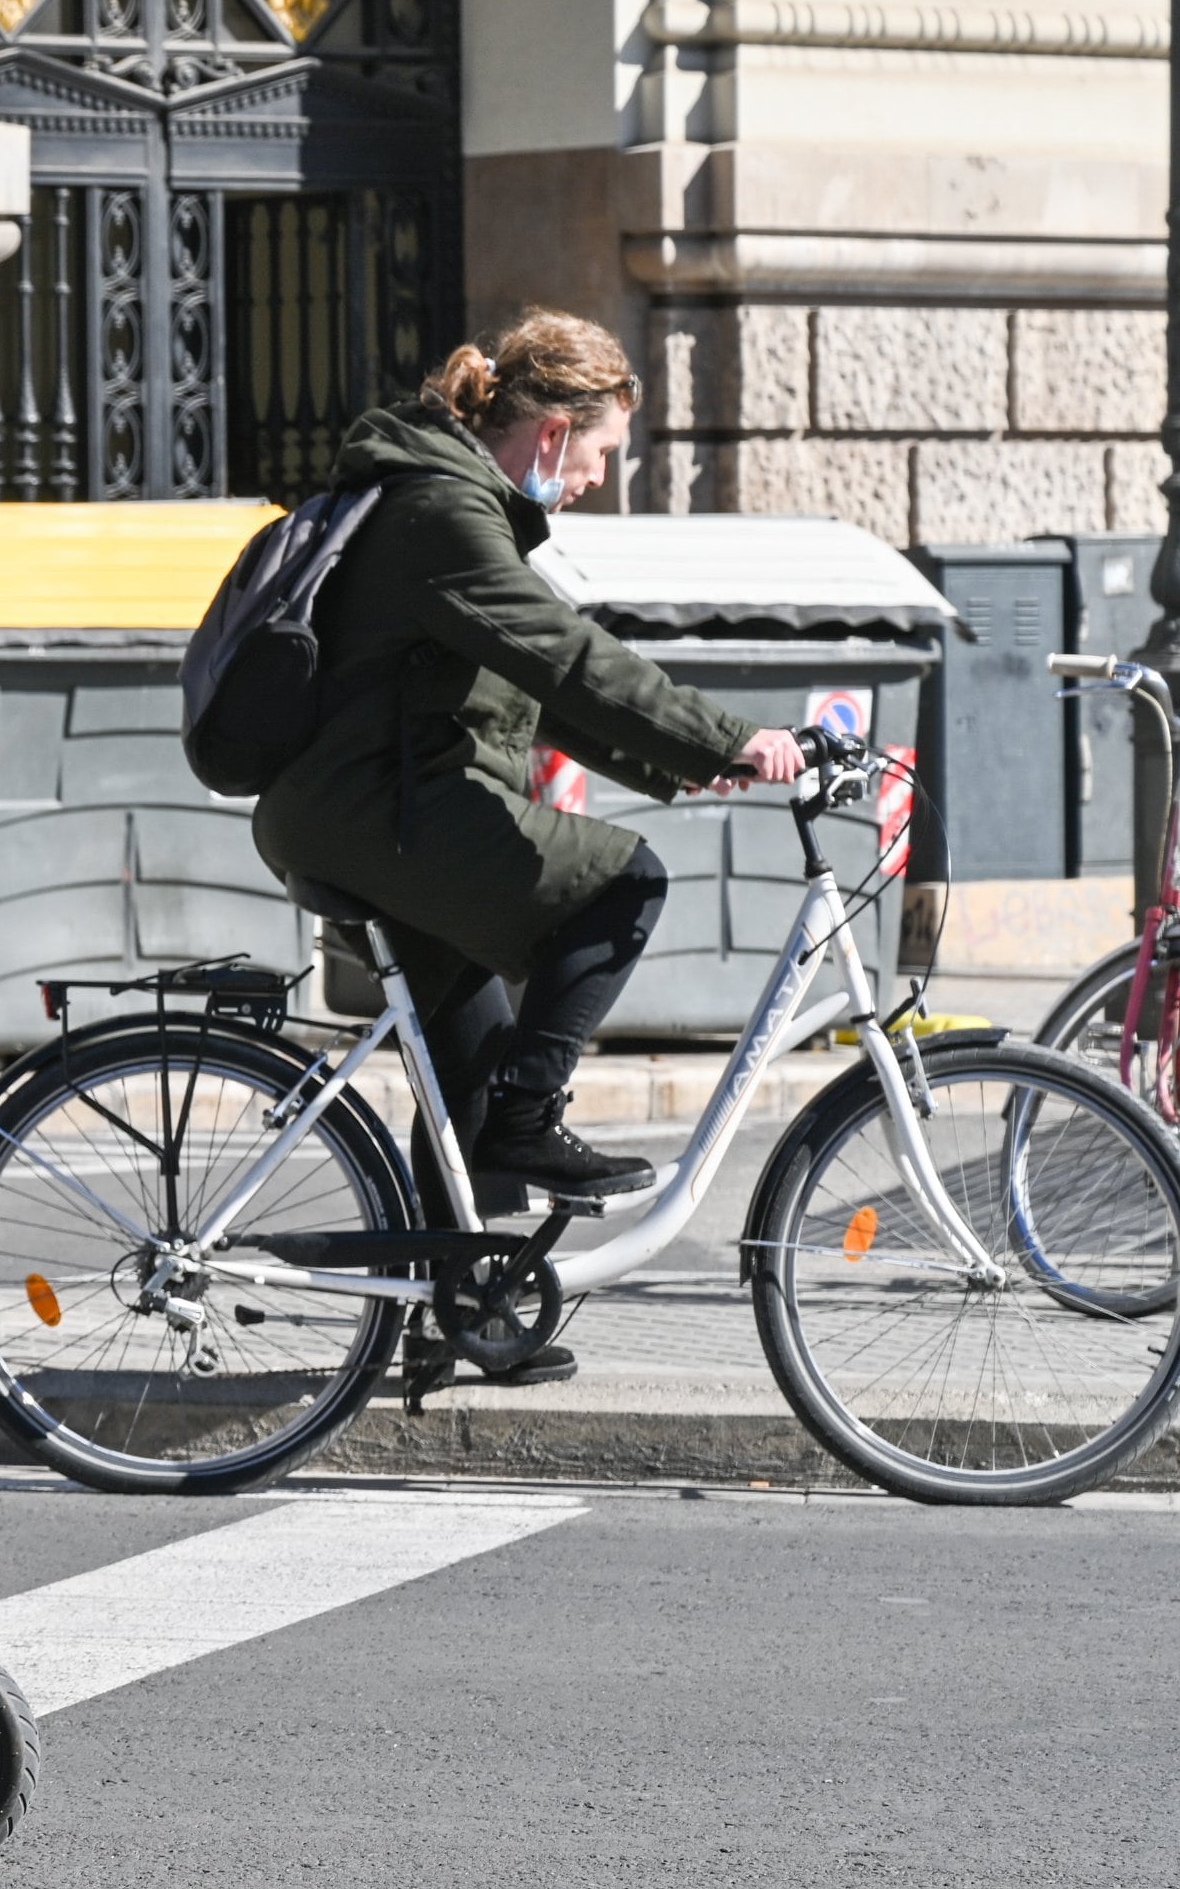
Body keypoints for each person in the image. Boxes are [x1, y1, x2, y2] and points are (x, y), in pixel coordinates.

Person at [254, 308, 801, 1263]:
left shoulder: (451, 502)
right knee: (624, 882)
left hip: (372, 809)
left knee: (472, 1062)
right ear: (552, 431)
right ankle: (531, 1123)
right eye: (601, 451)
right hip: (380, 812)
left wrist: (698, 759)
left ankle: (454, 1304)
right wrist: (727, 735)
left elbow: (535, 688)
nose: (596, 477)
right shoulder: (445, 514)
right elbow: (570, 658)